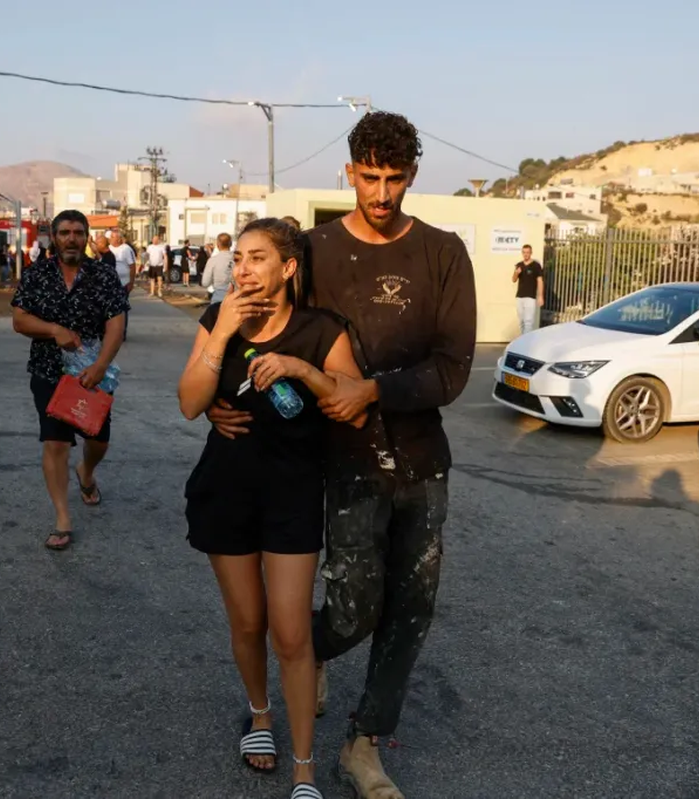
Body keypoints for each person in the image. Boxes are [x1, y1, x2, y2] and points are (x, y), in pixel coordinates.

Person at [207, 111, 477, 798]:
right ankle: (307, 653)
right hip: (343, 461)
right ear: (350, 170)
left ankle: (363, 744)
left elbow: (452, 368)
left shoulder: (444, 252)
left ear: (412, 174)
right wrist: (216, 386)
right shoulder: (317, 250)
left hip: (422, 460)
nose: (382, 193)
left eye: (395, 178)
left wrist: (371, 390)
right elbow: (258, 316)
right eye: (369, 177)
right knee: (354, 605)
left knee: (412, 605)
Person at [178, 218, 367, 799]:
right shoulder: (219, 319)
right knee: (247, 622)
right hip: (226, 489)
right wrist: (220, 335)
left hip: (292, 495)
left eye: (257, 258)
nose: (242, 269)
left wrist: (301, 370)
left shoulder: (321, 330)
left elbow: (353, 407)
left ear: (288, 268)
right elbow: (189, 402)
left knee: (290, 633)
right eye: (238, 258)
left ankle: (305, 767)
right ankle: (260, 716)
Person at [11, 210, 130, 551]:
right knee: (55, 443)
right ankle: (63, 518)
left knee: (99, 441)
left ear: (87, 236)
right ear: (55, 236)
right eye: (64, 232)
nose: (71, 238)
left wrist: (101, 366)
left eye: (78, 232)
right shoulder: (37, 275)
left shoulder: (104, 276)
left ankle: (87, 473)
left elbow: (116, 326)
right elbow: (19, 319)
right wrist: (53, 330)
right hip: (48, 372)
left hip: (93, 374)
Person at [512, 243, 544, 334]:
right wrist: (516, 273)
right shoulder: (519, 265)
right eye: (524, 252)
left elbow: (540, 281)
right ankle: (523, 340)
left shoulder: (536, 266)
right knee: (521, 322)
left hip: (530, 297)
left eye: (528, 252)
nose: (526, 254)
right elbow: (513, 280)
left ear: (531, 253)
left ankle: (526, 343)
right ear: (522, 253)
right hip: (519, 297)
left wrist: (540, 296)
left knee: (528, 322)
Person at [201, 232, 235, 304]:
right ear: (231, 244)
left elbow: (205, 282)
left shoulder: (213, 260)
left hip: (218, 299)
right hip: (235, 298)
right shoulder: (238, 259)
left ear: (217, 244)